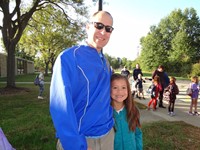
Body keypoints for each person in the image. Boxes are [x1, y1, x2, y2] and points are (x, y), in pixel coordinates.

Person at [50, 11, 115, 150]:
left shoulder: (106, 62)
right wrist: (76, 145)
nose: (103, 32)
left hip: (108, 136)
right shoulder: (68, 58)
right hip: (83, 140)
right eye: (99, 26)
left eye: (108, 29)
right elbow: (60, 107)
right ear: (87, 27)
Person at [110, 73, 143, 150]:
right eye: (115, 87)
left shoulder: (133, 110)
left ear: (128, 89)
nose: (120, 92)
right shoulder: (105, 114)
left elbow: (138, 133)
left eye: (123, 87)